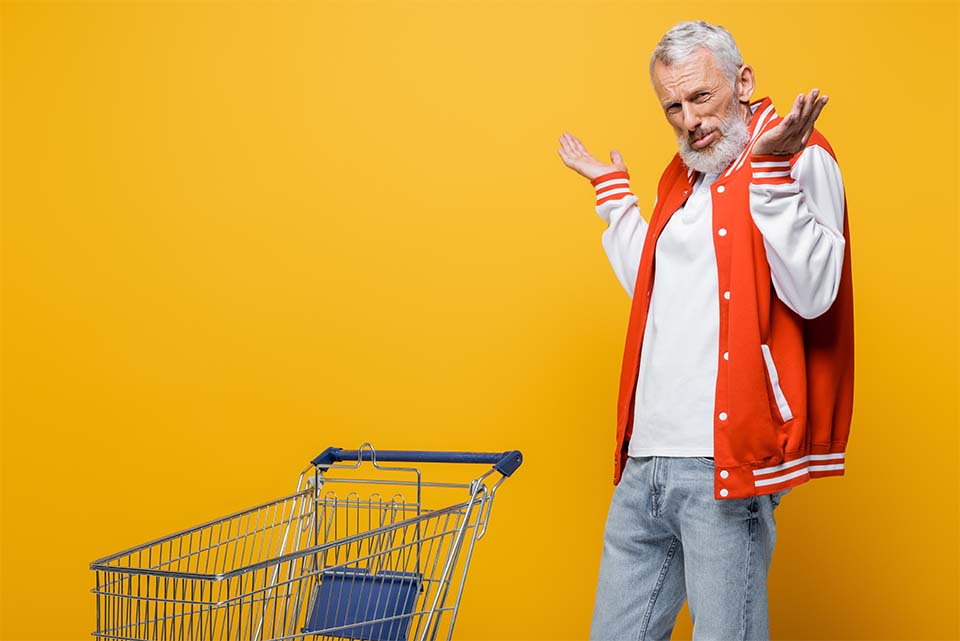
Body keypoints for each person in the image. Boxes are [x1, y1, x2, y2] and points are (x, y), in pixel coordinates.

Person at [557, 20, 854, 641]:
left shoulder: (799, 153)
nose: (689, 120)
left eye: (701, 98)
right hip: (646, 463)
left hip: (724, 465)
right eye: (673, 107)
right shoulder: (685, 173)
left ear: (743, 82)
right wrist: (615, 201)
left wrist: (770, 178)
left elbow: (816, 291)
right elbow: (656, 289)